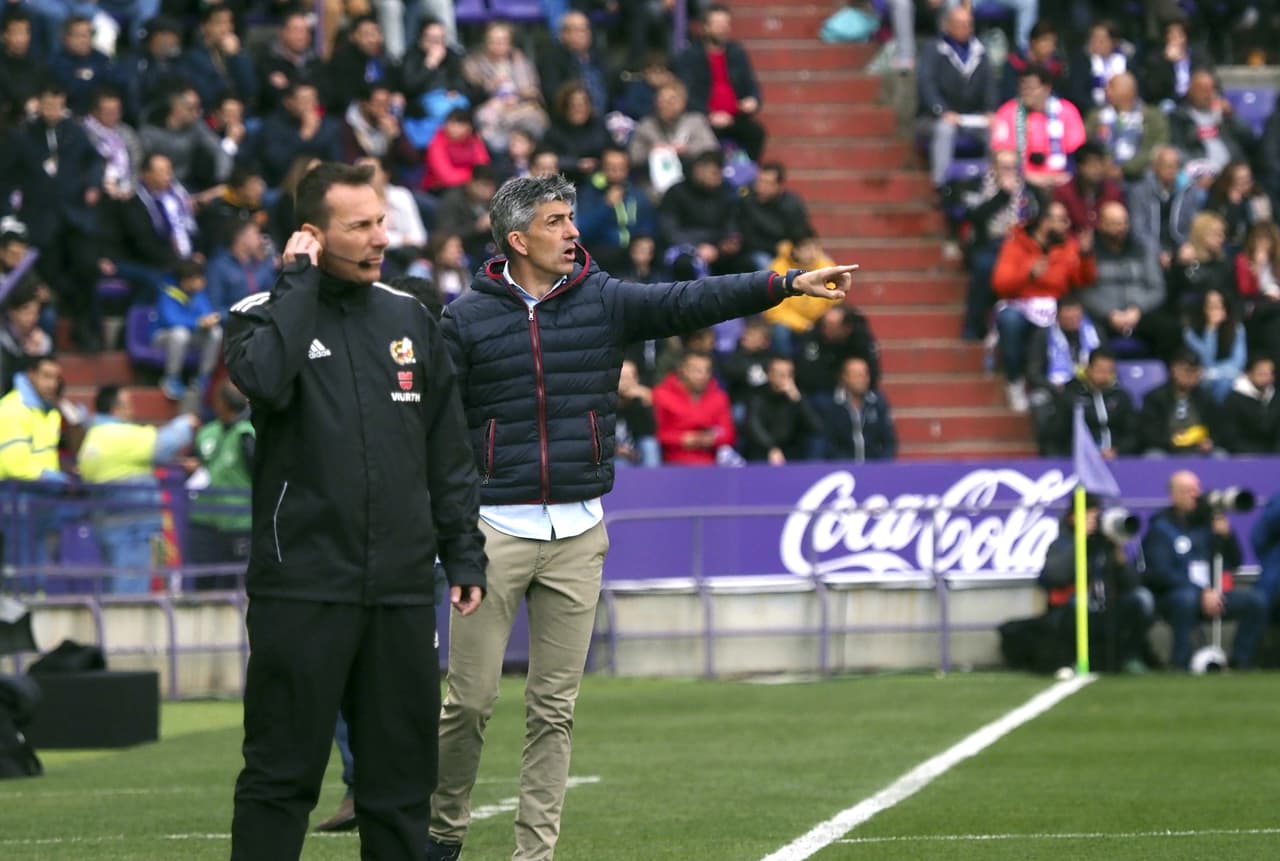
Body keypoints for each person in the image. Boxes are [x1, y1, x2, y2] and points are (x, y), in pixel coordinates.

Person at [428, 173, 856, 861]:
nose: (573, 231)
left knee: (553, 711)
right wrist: (450, 533)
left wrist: (785, 283)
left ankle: (533, 854)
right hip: (492, 532)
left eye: (572, 218)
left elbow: (693, 299)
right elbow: (438, 431)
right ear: (517, 238)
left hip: (579, 534)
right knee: (469, 703)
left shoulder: (603, 299)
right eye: (557, 221)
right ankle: (442, 833)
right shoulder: (464, 319)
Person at [224, 161, 487, 861]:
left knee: (401, 786)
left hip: (401, 587)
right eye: (361, 225)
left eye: (381, 220)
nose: (381, 236)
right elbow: (263, 379)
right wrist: (296, 283)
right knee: (281, 775)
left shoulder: (409, 315)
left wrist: (462, 549)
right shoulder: (260, 318)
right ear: (311, 235)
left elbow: (447, 448)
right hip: (302, 586)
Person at [1141, 470, 1267, 670]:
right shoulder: (1160, 527)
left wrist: (1227, 536)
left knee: (1257, 601)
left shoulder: (1208, 523)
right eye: (1187, 490)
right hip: (1175, 597)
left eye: (1196, 489)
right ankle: (1180, 662)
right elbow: (1160, 572)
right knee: (1186, 599)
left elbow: (1234, 562)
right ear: (1173, 495)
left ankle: (1241, 661)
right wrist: (1200, 592)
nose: (1195, 494)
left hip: (1213, 594)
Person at [76, 386, 196, 593]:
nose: (132, 411)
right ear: (117, 409)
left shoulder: (94, 436)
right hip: (132, 529)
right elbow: (163, 444)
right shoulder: (117, 435)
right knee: (130, 591)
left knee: (116, 586)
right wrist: (185, 423)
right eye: (129, 405)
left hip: (109, 525)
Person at [991, 197, 1096, 412]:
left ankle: (1074, 382)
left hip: (1055, 306)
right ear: (1043, 222)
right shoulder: (1016, 244)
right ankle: (1015, 382)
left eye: (1065, 220)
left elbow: (1083, 280)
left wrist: (1085, 256)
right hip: (1021, 305)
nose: (1065, 225)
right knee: (1009, 320)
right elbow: (999, 284)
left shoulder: (1069, 246)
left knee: (1083, 317)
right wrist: (1028, 274)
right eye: (1060, 220)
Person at [1039, 494, 1155, 673]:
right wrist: (1080, 542)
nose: (1095, 522)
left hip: (1109, 606)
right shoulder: (1062, 543)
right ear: (1073, 517)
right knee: (1080, 602)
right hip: (1072, 612)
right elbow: (1054, 577)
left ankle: (1130, 656)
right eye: (1089, 517)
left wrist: (1119, 554)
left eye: (1096, 516)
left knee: (1143, 599)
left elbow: (1132, 584)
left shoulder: (1106, 545)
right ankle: (1074, 659)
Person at [916, 4, 999, 193]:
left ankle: (992, 183)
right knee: (946, 129)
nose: (966, 28)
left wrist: (990, 110)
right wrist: (942, 110)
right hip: (935, 117)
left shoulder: (979, 51)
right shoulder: (934, 49)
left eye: (969, 24)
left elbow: (990, 85)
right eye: (960, 24)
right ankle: (941, 184)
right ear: (947, 26)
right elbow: (926, 84)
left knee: (996, 130)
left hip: (971, 117)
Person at [675, 4, 766, 161]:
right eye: (718, 24)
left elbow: (751, 85)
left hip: (735, 117)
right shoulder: (690, 56)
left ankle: (746, 176)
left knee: (756, 133)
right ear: (705, 27)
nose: (724, 29)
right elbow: (686, 94)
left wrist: (753, 100)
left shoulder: (737, 52)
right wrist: (709, 115)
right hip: (704, 119)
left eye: (726, 24)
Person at [186, 381, 254, 582]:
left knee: (235, 582)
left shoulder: (248, 434)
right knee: (203, 581)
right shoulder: (207, 433)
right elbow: (196, 463)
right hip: (204, 520)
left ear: (222, 403)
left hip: (239, 522)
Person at [1084, 200, 1168, 358]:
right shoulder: (1090, 252)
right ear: (1101, 224)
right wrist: (1109, 313)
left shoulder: (1142, 249)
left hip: (1140, 313)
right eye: (1115, 224)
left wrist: (1137, 309)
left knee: (1170, 330)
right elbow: (1083, 290)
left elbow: (1157, 288)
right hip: (1103, 316)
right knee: (1089, 333)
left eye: (1124, 223)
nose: (1121, 228)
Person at [1025, 293, 1100, 454]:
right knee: (1038, 400)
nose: (1073, 320)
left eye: (1076, 316)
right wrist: (1053, 387)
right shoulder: (1043, 336)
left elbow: (1106, 362)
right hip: (1055, 389)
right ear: (1058, 317)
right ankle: (1050, 452)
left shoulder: (1094, 333)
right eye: (1068, 317)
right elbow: (1033, 372)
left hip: (1089, 386)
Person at [990, 64, 1086, 187]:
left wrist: (1065, 177)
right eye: (1022, 88)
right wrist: (1028, 176)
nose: (1026, 93)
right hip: (1021, 180)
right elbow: (1001, 151)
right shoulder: (1008, 111)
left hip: (1061, 179)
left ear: (1047, 88)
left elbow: (1077, 150)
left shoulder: (1066, 110)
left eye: (1031, 88)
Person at [652, 349, 737, 466]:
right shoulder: (662, 395)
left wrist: (710, 439)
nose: (702, 376)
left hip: (712, 464)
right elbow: (656, 434)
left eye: (707, 371)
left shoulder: (719, 397)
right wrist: (682, 439)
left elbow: (728, 434)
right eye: (697, 371)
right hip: (673, 463)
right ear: (682, 370)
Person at [153, 259, 222, 402]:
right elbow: (171, 321)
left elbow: (206, 313)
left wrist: (209, 321)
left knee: (216, 332)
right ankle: (171, 378)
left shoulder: (199, 294)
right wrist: (198, 323)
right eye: (198, 278)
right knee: (180, 333)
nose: (202, 282)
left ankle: (202, 378)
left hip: (189, 336)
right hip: (163, 337)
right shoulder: (169, 293)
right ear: (186, 280)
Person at [1051, 346, 1138, 458]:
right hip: (1080, 458)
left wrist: (1118, 450)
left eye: (1109, 371)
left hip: (1116, 457)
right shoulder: (1071, 395)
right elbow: (1059, 432)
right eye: (1100, 370)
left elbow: (1132, 432)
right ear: (1088, 369)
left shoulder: (1121, 397)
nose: (1104, 375)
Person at [1085, 72, 1169, 185]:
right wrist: (1107, 163)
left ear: (1129, 91)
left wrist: (1125, 168)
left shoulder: (1152, 116)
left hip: (1142, 176)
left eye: (1111, 86)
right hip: (1104, 176)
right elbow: (1088, 143)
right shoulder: (1096, 116)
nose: (1106, 89)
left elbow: (1157, 147)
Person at [810, 355, 897, 462]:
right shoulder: (832, 405)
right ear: (844, 377)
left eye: (865, 375)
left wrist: (881, 465)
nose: (862, 379)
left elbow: (889, 441)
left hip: (874, 469)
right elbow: (828, 443)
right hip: (843, 469)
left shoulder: (877, 403)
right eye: (857, 375)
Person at [1138, 347, 1223, 456]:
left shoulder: (1206, 397)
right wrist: (1171, 440)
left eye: (1195, 370)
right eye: (1187, 370)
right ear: (1173, 370)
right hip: (1166, 449)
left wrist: (1210, 441)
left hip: (1199, 449)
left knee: (1219, 455)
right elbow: (1147, 431)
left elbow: (1219, 428)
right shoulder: (1155, 397)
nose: (1191, 375)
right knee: (1153, 456)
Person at [741, 355, 821, 464]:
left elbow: (816, 427)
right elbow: (753, 425)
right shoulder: (757, 395)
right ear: (769, 374)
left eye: (789, 374)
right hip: (762, 450)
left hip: (792, 452)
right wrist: (771, 447)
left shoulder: (798, 396)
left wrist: (798, 401)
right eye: (780, 374)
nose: (785, 378)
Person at [1182, 287, 1246, 402]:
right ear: (1203, 308)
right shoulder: (1191, 332)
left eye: (1218, 306)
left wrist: (1217, 373)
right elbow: (1207, 361)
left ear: (1225, 309)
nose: (1214, 310)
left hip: (1229, 376)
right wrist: (1211, 329)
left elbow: (1238, 361)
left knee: (1226, 383)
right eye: (1210, 306)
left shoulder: (1236, 328)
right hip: (1201, 379)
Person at [1219, 354, 1278, 454]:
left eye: (1270, 373)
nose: (1267, 378)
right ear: (1248, 373)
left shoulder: (1275, 397)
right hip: (1242, 455)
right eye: (1261, 373)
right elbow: (1229, 435)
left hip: (1273, 455)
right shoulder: (1234, 399)